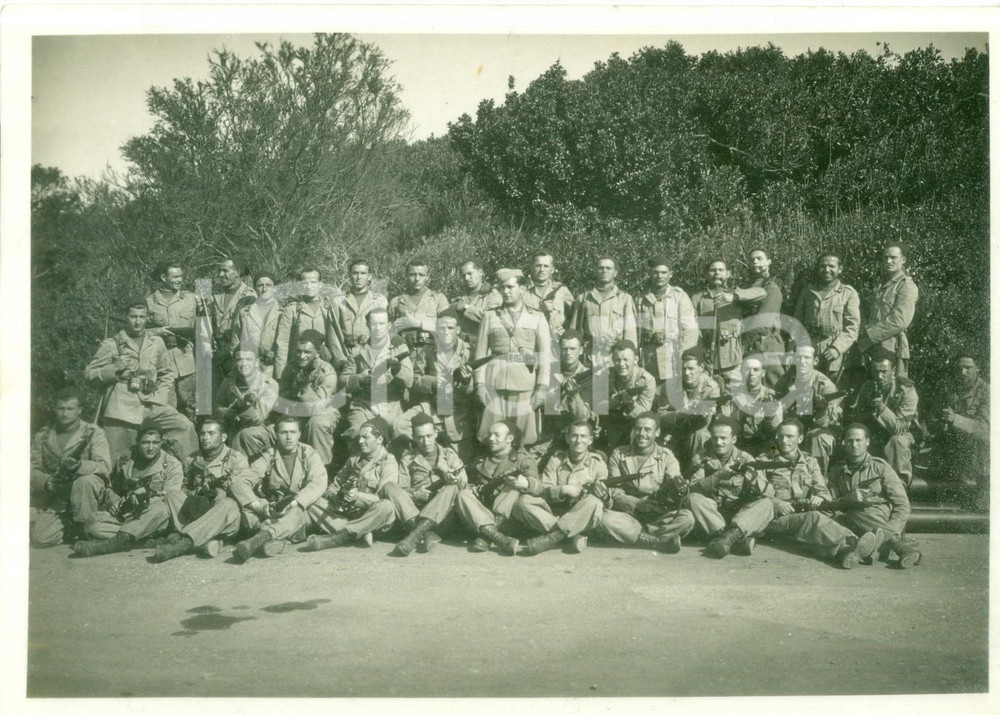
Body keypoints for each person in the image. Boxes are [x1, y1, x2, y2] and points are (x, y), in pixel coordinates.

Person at [757, 420, 884, 569]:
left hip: (801, 515)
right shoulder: (764, 461)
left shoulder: (809, 461)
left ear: (800, 439)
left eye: (790, 436)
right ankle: (856, 543)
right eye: (781, 436)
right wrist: (778, 504)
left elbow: (822, 489)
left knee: (823, 518)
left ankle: (849, 551)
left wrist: (820, 497)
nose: (784, 440)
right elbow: (758, 495)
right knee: (814, 518)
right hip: (775, 519)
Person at [84, 298, 197, 463]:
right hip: (121, 409)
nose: (138, 321)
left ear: (146, 317)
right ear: (126, 317)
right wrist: (115, 367)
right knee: (120, 460)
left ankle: (193, 470)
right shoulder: (111, 345)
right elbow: (89, 374)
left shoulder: (156, 342)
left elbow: (166, 373)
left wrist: (160, 396)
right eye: (133, 316)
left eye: (142, 317)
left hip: (151, 404)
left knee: (184, 427)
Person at [71, 422, 185, 557]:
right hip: (127, 515)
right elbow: (111, 486)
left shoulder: (172, 465)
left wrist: (145, 496)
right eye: (145, 442)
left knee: (160, 508)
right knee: (92, 526)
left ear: (161, 442)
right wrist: (115, 501)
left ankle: (116, 543)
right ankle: (141, 541)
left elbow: (170, 496)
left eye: (155, 442)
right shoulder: (126, 459)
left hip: (153, 517)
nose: (150, 448)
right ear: (137, 441)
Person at [304, 420, 418, 550]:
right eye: (359, 437)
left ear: (379, 439)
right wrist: (335, 497)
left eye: (365, 437)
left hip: (373, 516)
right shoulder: (354, 459)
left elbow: (382, 496)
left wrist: (357, 497)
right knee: (313, 502)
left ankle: (342, 536)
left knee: (386, 506)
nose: (360, 441)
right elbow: (333, 486)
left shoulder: (388, 462)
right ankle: (361, 532)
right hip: (348, 515)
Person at [151, 418, 253, 562]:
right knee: (172, 494)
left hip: (221, 517)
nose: (205, 438)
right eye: (202, 434)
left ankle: (183, 543)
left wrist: (217, 493)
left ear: (223, 437)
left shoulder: (237, 459)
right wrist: (198, 492)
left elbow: (240, 490)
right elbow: (184, 488)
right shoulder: (191, 459)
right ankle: (204, 542)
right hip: (196, 511)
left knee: (229, 504)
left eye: (211, 433)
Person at [229, 416, 330, 561]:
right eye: (284, 432)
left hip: (301, 509)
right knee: (246, 509)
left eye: (293, 432)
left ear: (299, 434)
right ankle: (281, 540)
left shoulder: (309, 453)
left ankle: (259, 539)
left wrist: (294, 503)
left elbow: (318, 482)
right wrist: (259, 507)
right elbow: (239, 482)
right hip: (274, 512)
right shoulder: (268, 456)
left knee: (302, 510)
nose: (289, 437)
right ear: (276, 434)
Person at [474, 269, 551, 450]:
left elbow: (545, 357)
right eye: (502, 288)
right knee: (491, 435)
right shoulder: (490, 316)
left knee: (525, 438)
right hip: (494, 385)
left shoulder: (537, 317)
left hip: (525, 386)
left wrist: (542, 387)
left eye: (510, 287)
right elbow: (480, 355)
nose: (505, 291)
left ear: (522, 289)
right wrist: (480, 384)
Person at [827, 424, 919, 568]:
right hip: (849, 520)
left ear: (867, 441)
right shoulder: (836, 471)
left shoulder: (880, 467)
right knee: (839, 517)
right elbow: (831, 503)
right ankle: (877, 551)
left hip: (877, 516)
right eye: (850, 441)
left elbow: (902, 505)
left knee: (858, 514)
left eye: (858, 440)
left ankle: (893, 546)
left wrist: (891, 531)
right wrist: (848, 499)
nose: (854, 445)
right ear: (844, 443)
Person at [30, 389, 112, 547]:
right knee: (41, 538)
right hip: (58, 496)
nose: (64, 413)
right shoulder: (43, 436)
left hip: (86, 496)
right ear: (55, 409)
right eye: (61, 408)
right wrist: (46, 481)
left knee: (86, 481)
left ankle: (86, 527)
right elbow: (30, 469)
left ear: (79, 410)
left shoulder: (93, 433)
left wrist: (79, 466)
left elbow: (104, 466)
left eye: (69, 408)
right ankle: (72, 527)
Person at [601, 413, 694, 552]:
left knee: (687, 518)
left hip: (657, 513)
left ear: (657, 432)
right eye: (638, 429)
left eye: (647, 429)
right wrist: (637, 504)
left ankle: (637, 535)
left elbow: (674, 479)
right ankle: (658, 540)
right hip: (628, 512)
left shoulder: (666, 456)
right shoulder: (619, 454)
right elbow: (614, 491)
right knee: (605, 518)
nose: (641, 434)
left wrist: (680, 490)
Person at [516, 421, 610, 555]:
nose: (578, 440)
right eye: (574, 436)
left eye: (583, 436)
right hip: (554, 513)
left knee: (594, 502)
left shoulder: (598, 463)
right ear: (567, 438)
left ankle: (553, 538)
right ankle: (571, 536)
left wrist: (604, 495)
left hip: (581, 514)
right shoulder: (556, 459)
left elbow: (605, 501)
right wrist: (562, 490)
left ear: (590, 440)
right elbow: (544, 490)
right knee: (524, 501)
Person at [684, 416, 772, 558]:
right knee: (692, 498)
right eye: (715, 438)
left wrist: (754, 481)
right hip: (712, 515)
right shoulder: (701, 458)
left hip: (739, 515)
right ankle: (734, 541)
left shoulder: (746, 458)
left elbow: (769, 492)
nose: (719, 443)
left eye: (723, 438)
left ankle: (728, 538)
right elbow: (693, 488)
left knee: (766, 504)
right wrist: (717, 476)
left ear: (734, 439)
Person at [397, 308, 475, 462]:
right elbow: (414, 379)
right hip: (431, 407)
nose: (445, 332)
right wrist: (434, 381)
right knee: (400, 425)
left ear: (458, 330)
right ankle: (415, 461)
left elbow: (475, 390)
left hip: (457, 411)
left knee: (461, 461)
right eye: (441, 328)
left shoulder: (469, 352)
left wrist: (466, 382)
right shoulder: (428, 350)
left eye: (450, 328)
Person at [391, 413, 469, 556]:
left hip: (444, 517)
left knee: (452, 487)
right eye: (420, 437)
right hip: (416, 513)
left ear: (436, 433)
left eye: (429, 436)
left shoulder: (449, 455)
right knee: (390, 488)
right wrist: (415, 493)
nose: (426, 442)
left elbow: (465, 486)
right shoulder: (408, 459)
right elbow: (401, 488)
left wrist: (448, 473)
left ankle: (414, 536)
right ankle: (426, 533)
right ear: (413, 437)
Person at [459, 420, 536, 554]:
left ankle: (487, 536)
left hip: (509, 518)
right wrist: (472, 487)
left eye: (496, 435)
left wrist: (527, 484)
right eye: (490, 434)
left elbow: (539, 486)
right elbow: (470, 481)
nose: (491, 438)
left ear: (509, 439)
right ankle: (497, 537)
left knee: (513, 487)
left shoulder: (522, 459)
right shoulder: (482, 458)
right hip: (482, 513)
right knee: (462, 494)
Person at [340, 308, 414, 442]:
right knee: (359, 433)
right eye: (374, 324)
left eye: (382, 323)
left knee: (400, 434)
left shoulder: (399, 348)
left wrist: (397, 371)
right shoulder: (357, 351)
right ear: (367, 325)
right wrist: (360, 378)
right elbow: (343, 381)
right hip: (363, 405)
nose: (378, 328)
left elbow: (409, 381)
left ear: (389, 324)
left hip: (391, 404)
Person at [689, 259, 764, 386]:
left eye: (721, 270)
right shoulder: (698, 298)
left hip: (733, 360)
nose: (717, 273)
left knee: (735, 394)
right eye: (712, 270)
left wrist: (733, 297)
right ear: (706, 274)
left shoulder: (736, 294)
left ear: (728, 274)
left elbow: (762, 293)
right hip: (707, 361)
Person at [848, 351, 918, 486]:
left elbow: (899, 429)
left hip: (902, 435)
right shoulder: (867, 387)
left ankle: (900, 484)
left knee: (896, 441)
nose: (879, 376)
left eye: (884, 371)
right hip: (875, 433)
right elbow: (858, 420)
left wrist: (881, 407)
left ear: (893, 371)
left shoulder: (906, 390)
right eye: (876, 371)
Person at [932, 352, 989, 510]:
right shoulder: (948, 389)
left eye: (968, 368)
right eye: (959, 369)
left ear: (977, 368)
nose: (963, 372)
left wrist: (955, 419)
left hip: (976, 453)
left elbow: (985, 428)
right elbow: (932, 418)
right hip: (951, 448)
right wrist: (939, 423)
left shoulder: (987, 392)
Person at [774, 344, 843, 474]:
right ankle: (778, 473)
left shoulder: (825, 385)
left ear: (815, 361)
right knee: (773, 444)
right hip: (791, 427)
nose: (802, 361)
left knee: (818, 439)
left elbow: (831, 421)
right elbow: (776, 405)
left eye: (806, 358)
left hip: (818, 428)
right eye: (798, 357)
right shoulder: (785, 380)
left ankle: (816, 476)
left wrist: (821, 409)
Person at [277, 329, 341, 465]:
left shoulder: (327, 371)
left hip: (324, 410)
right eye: (298, 351)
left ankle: (321, 468)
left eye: (307, 352)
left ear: (318, 352)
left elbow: (316, 406)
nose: (301, 356)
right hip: (296, 408)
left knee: (317, 424)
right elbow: (282, 393)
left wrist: (304, 385)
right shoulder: (291, 367)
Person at [792, 253, 860, 381]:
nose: (826, 270)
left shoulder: (848, 294)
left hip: (835, 358)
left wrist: (837, 348)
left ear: (840, 269)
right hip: (809, 354)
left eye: (831, 266)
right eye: (822, 266)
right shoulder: (807, 292)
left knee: (833, 390)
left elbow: (852, 328)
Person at [856, 243, 919, 378]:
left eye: (893, 257)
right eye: (885, 257)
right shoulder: (881, 285)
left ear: (903, 260)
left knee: (891, 388)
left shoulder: (906, 286)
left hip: (893, 349)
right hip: (873, 348)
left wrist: (869, 338)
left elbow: (900, 321)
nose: (888, 261)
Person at [635, 255, 698, 386]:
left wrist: (684, 357)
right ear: (650, 273)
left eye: (664, 272)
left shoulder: (679, 296)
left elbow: (691, 330)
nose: (660, 276)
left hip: (673, 358)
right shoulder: (640, 299)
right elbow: (634, 331)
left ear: (670, 274)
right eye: (656, 272)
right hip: (648, 359)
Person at [654, 346, 721, 468]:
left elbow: (709, 422)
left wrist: (702, 415)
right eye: (683, 369)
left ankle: (696, 469)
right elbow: (660, 416)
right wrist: (682, 414)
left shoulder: (711, 387)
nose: (686, 373)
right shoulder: (670, 385)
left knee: (700, 435)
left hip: (696, 431)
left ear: (701, 367)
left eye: (691, 369)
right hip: (673, 431)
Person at [145, 261, 198, 413]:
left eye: (181, 276)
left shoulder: (191, 299)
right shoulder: (149, 302)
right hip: (162, 364)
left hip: (187, 362)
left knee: (191, 406)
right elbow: (141, 331)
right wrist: (159, 332)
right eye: (175, 277)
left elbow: (207, 320)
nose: (179, 280)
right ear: (163, 277)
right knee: (167, 407)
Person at [274, 267, 341, 380]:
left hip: (325, 368)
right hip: (298, 368)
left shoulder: (329, 308)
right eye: (305, 283)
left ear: (320, 284)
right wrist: (280, 376)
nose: (309, 286)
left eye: (313, 282)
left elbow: (336, 342)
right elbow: (282, 344)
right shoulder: (292, 310)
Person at [569, 256, 637, 366]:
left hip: (615, 357)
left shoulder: (625, 298)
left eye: (608, 268)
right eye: (600, 268)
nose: (604, 271)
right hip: (589, 356)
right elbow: (574, 331)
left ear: (615, 273)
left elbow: (630, 334)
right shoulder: (583, 298)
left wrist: (629, 358)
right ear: (595, 271)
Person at [215, 348, 280, 461]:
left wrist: (243, 406)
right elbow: (218, 404)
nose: (244, 364)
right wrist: (227, 412)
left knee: (244, 435)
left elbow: (258, 419)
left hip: (260, 430)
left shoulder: (268, 384)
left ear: (257, 362)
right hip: (233, 425)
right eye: (239, 359)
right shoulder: (229, 380)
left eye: (249, 359)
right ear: (234, 362)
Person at [718, 356, 783, 456]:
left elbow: (777, 431)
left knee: (776, 452)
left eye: (756, 370)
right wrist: (740, 414)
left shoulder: (771, 396)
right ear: (741, 372)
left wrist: (769, 418)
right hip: (738, 445)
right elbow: (722, 426)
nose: (751, 373)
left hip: (765, 445)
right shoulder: (731, 396)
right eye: (747, 369)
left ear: (763, 373)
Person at [740, 248, 786, 386]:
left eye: (759, 258)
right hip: (748, 345)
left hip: (765, 347)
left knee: (774, 387)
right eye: (752, 259)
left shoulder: (771, 289)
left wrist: (741, 345)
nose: (755, 261)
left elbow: (761, 324)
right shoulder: (745, 287)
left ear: (769, 262)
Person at [599, 340, 656, 450]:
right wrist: (611, 403)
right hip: (610, 421)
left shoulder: (646, 380)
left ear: (636, 360)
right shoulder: (605, 375)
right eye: (617, 360)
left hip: (633, 424)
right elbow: (596, 406)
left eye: (626, 360)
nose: (621, 364)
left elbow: (644, 415)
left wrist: (631, 404)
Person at [331, 258, 388, 368]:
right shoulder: (338, 301)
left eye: (363, 273)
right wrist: (341, 361)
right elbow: (333, 336)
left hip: (370, 357)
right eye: (355, 273)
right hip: (346, 357)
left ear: (369, 276)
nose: (359, 277)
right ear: (349, 275)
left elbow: (384, 332)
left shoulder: (379, 301)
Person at [388, 258, 450, 351]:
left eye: (421, 275)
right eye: (412, 275)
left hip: (431, 352)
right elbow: (385, 328)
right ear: (406, 275)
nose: (417, 279)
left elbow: (448, 328)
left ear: (427, 277)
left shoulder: (439, 299)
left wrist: (419, 324)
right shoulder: (396, 302)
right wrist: (392, 335)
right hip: (404, 353)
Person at [231, 272, 281, 378]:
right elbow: (235, 343)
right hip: (249, 370)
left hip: (272, 369)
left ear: (275, 288)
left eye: (268, 285)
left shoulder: (282, 313)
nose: (264, 289)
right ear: (255, 288)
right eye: (260, 285)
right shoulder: (245, 313)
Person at [208, 256, 257, 359]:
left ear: (237, 273)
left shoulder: (249, 296)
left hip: (237, 354)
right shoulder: (216, 295)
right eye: (220, 271)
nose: (221, 274)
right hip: (217, 354)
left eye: (225, 271)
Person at [451, 259, 502, 350]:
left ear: (481, 272)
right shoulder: (459, 298)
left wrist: (465, 307)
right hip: (460, 349)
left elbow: (491, 319)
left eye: (470, 273)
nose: (466, 278)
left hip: (483, 349)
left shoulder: (493, 296)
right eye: (463, 275)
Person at [522, 251, 574, 339]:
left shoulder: (561, 290)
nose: (542, 270)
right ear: (531, 267)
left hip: (555, 340)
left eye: (546, 266)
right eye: (538, 265)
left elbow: (575, 315)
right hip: (529, 340)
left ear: (552, 269)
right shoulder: (522, 291)